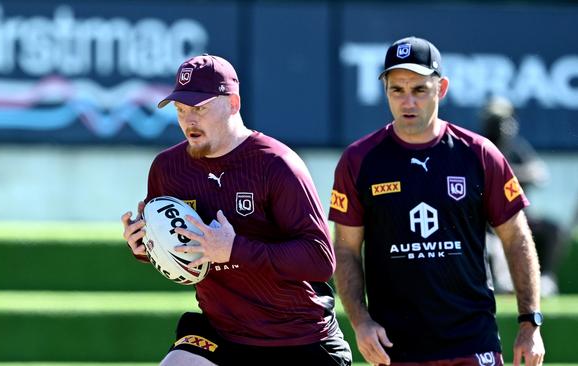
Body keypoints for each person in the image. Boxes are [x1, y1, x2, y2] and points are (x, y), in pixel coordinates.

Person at [121, 54, 351, 366]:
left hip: (298, 337)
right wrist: (145, 245)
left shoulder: (276, 164)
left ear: (233, 103)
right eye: (180, 109)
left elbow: (320, 260)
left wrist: (234, 249)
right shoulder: (168, 169)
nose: (189, 120)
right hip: (224, 332)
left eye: (199, 108)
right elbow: (176, 247)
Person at [329, 36, 545, 366]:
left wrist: (530, 324)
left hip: (472, 343)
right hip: (394, 348)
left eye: (419, 90)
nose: (407, 102)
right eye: (397, 90)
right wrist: (361, 322)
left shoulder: (480, 154)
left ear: (441, 88)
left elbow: (516, 238)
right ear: (385, 91)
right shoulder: (359, 160)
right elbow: (345, 250)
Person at [481, 96, 568, 297]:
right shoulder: (480, 145)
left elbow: (539, 174)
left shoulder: (516, 149)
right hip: (484, 223)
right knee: (490, 245)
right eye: (496, 121)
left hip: (517, 217)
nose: (501, 126)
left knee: (551, 229)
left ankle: (544, 278)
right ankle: (498, 285)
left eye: (504, 120)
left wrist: (510, 175)